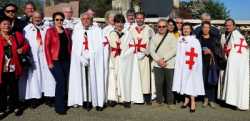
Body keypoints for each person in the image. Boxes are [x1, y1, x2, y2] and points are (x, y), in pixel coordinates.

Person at [67, 12, 106, 111]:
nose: (85, 20)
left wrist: (91, 55)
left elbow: (100, 47)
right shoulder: (77, 30)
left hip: (94, 60)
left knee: (95, 79)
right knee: (82, 80)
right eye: (83, 19)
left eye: (88, 19)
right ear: (81, 20)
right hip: (80, 61)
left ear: (91, 20)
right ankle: (84, 99)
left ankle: (96, 101)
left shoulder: (97, 30)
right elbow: (75, 46)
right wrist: (81, 57)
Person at [107, 14, 143, 108]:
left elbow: (131, 47)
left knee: (124, 79)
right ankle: (113, 98)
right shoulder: (111, 33)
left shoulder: (128, 34)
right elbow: (112, 46)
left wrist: (124, 55)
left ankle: (125, 99)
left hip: (125, 61)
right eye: (117, 22)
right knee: (113, 79)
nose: (119, 24)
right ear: (114, 23)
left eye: (121, 22)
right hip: (114, 60)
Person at [23, 11, 55, 108]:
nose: (37, 19)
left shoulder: (47, 28)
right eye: (35, 17)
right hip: (33, 57)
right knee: (34, 78)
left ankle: (48, 97)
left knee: (48, 77)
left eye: (39, 17)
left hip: (46, 56)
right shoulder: (26, 29)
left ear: (42, 17)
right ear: (31, 18)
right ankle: (35, 98)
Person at [172, 23, 205, 113]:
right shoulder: (180, 40)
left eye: (187, 28)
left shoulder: (195, 41)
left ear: (191, 30)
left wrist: (193, 65)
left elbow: (197, 54)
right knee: (184, 82)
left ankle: (193, 102)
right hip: (182, 66)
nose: (185, 30)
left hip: (191, 65)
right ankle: (186, 100)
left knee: (191, 83)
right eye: (184, 28)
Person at [0, 17, 29, 119]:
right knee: (2, 90)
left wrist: (22, 49)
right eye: (4, 24)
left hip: (13, 67)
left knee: (14, 88)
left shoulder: (16, 35)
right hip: (1, 69)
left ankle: (15, 107)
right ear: (0, 26)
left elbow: (26, 45)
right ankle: (2, 109)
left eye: (8, 24)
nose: (6, 26)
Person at [217, 18, 249, 110]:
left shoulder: (237, 35)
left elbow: (241, 49)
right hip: (225, 61)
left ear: (234, 26)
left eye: (229, 25)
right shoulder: (225, 34)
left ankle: (234, 101)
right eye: (226, 25)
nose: (227, 27)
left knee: (233, 80)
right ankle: (225, 99)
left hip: (234, 63)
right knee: (224, 79)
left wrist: (229, 52)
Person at [45, 12, 72, 114]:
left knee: (64, 83)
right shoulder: (50, 31)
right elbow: (46, 48)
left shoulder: (67, 31)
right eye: (57, 19)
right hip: (55, 61)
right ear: (53, 20)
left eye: (61, 19)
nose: (59, 21)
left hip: (66, 61)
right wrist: (49, 62)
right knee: (60, 81)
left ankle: (62, 103)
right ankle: (59, 108)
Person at [150, 19, 178, 109]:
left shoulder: (172, 37)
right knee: (158, 83)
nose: (161, 28)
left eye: (163, 26)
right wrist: (158, 60)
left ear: (167, 27)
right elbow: (151, 50)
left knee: (170, 84)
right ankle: (159, 101)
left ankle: (170, 102)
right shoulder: (154, 37)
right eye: (159, 26)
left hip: (169, 64)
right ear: (157, 27)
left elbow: (174, 50)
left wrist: (164, 59)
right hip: (157, 64)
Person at [130, 12, 155, 105]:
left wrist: (146, 52)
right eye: (138, 18)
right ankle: (136, 97)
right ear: (135, 19)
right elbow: (129, 41)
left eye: (141, 18)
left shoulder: (149, 29)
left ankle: (147, 96)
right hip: (135, 56)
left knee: (145, 77)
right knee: (136, 77)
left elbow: (153, 42)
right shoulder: (131, 29)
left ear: (144, 19)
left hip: (145, 57)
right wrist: (134, 52)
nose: (139, 20)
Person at [196, 21, 222, 108]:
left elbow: (219, 51)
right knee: (204, 80)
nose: (206, 29)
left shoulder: (214, 39)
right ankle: (206, 99)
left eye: (207, 27)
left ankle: (211, 100)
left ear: (209, 28)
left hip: (212, 62)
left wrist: (211, 52)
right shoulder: (198, 38)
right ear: (202, 28)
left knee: (212, 80)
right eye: (204, 27)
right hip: (202, 62)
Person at [102, 10, 116, 102]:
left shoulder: (119, 28)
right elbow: (103, 43)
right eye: (111, 17)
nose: (113, 19)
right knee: (109, 75)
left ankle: (116, 96)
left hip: (116, 54)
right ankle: (109, 97)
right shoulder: (105, 30)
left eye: (114, 17)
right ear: (107, 19)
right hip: (108, 55)